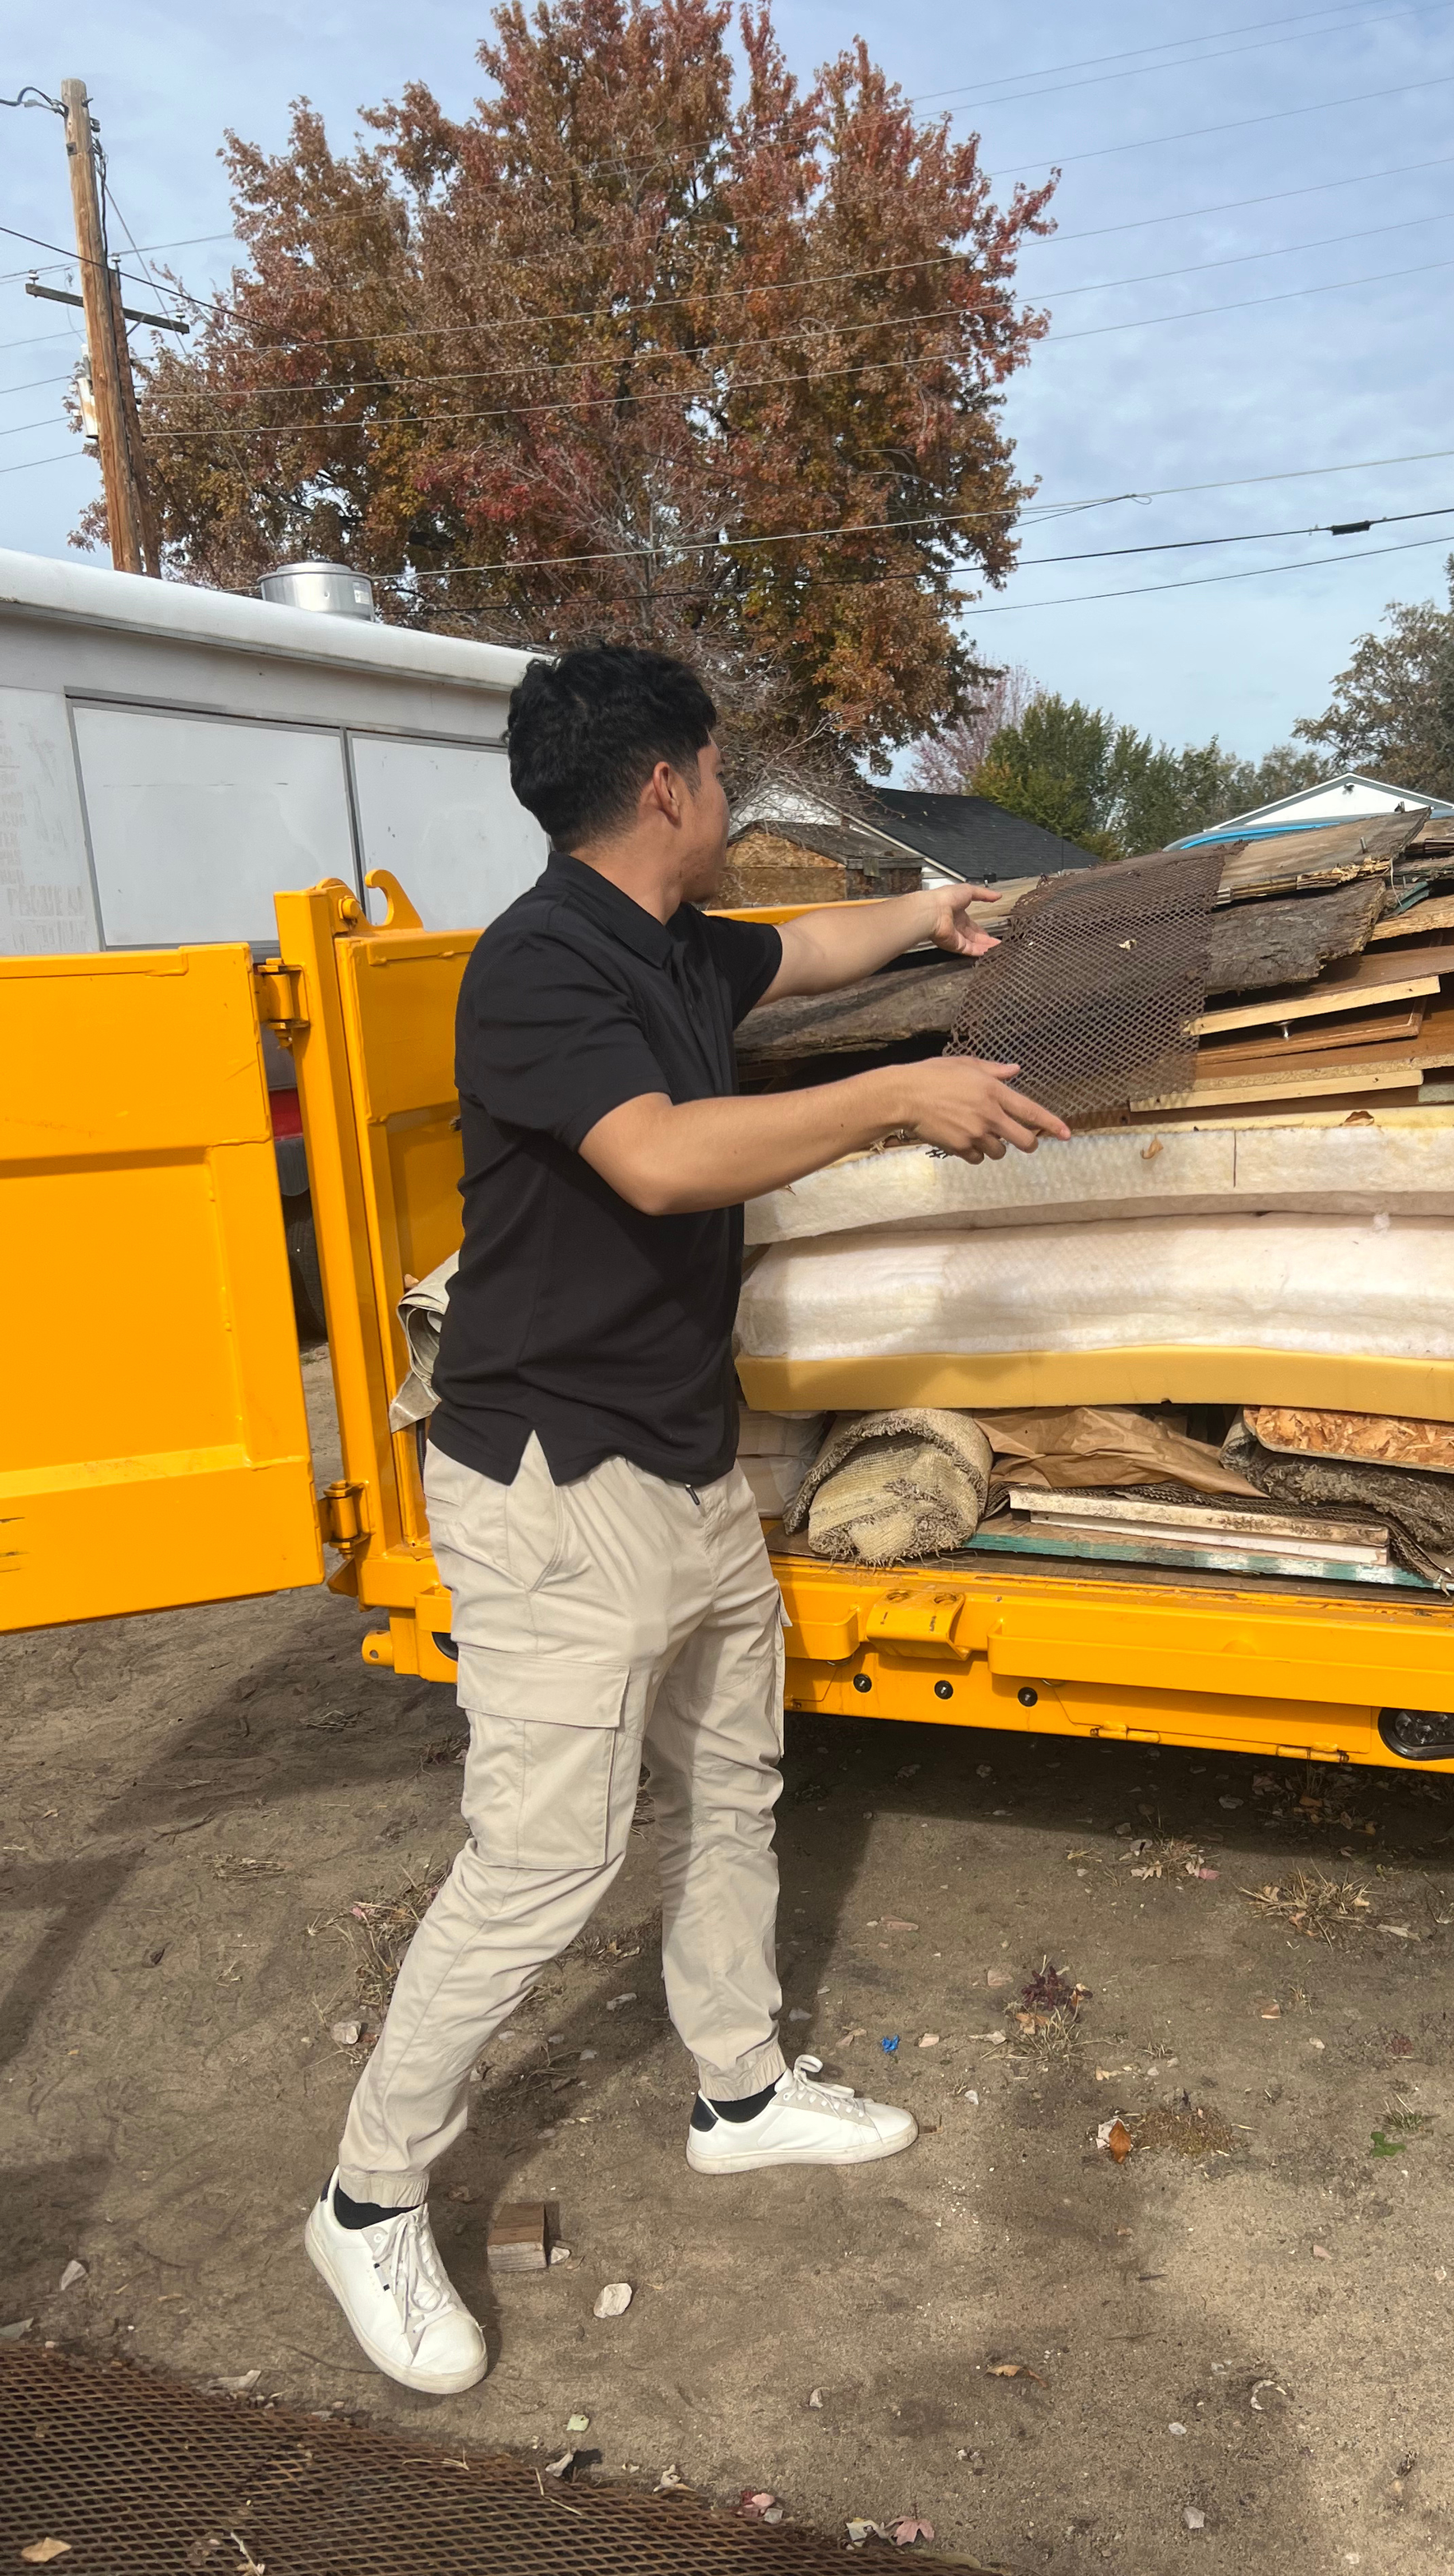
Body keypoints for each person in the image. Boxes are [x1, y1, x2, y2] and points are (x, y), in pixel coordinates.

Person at [305, 644, 1067, 2393]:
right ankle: (363, 2202)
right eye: (722, 771)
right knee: (542, 1859)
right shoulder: (535, 966)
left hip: (679, 1456)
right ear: (667, 785)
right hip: (552, 1483)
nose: (731, 800)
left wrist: (941, 915)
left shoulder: (670, 942)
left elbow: (800, 948)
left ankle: (736, 2090)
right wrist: (893, 1094)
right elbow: (654, 1156)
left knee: (733, 1773)